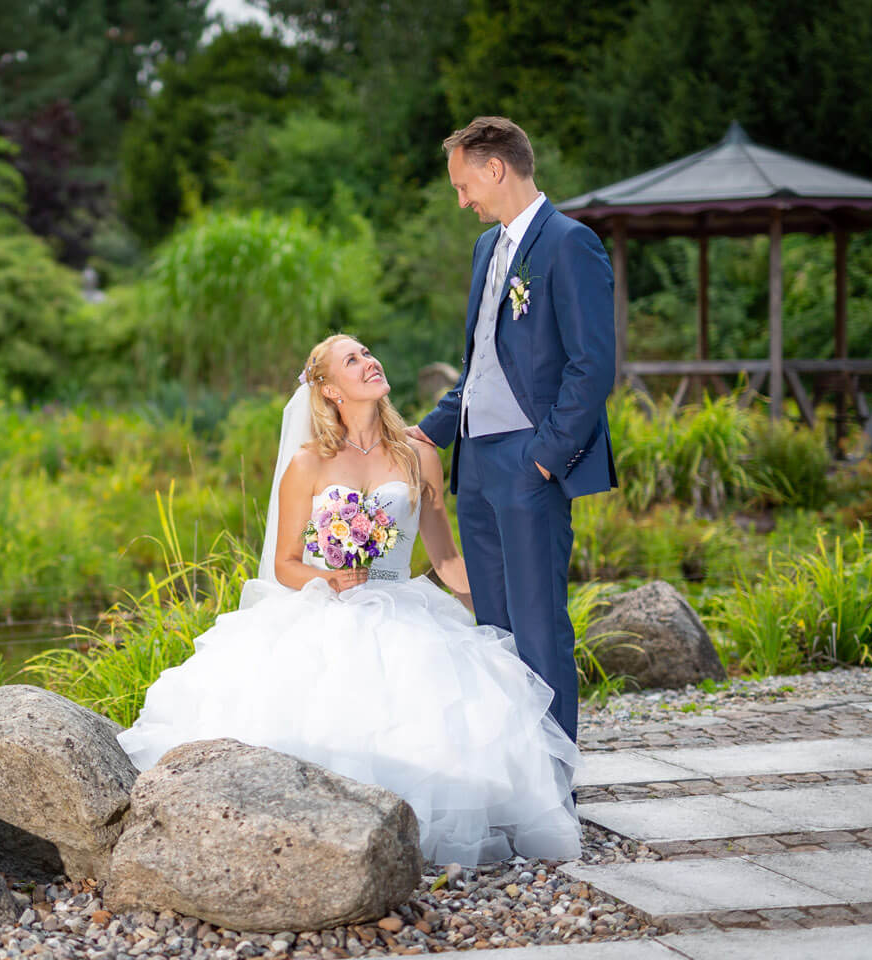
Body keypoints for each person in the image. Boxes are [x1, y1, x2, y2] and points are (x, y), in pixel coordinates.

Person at [118, 335, 580, 865]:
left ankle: (413, 831)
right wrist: (328, 579)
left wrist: (510, 605)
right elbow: (285, 564)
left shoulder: (418, 455)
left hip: (402, 607)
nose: (369, 362)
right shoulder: (309, 464)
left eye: (368, 353)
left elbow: (446, 558)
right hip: (325, 605)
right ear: (331, 389)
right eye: (352, 360)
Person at [407, 117, 616, 743]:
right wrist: (427, 433)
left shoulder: (569, 243)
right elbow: (480, 365)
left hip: (530, 463)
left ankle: (554, 783)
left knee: (537, 625)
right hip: (476, 465)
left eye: (463, 184)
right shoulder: (485, 248)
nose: (462, 199)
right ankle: (511, 773)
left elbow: (592, 365)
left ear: (494, 169)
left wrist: (545, 458)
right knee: (492, 629)